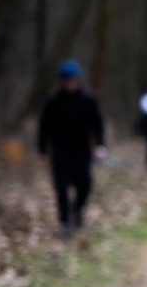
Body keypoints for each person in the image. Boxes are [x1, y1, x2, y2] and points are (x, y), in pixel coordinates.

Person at [36, 59, 107, 239]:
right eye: (66, 80)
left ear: (77, 79)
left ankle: (77, 210)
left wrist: (100, 145)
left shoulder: (88, 99)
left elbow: (98, 123)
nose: (69, 83)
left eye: (72, 80)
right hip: (60, 150)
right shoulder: (53, 101)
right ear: (61, 81)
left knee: (84, 186)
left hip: (82, 150)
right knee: (61, 188)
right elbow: (44, 127)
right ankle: (64, 223)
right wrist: (42, 152)